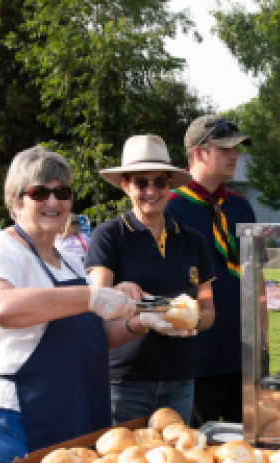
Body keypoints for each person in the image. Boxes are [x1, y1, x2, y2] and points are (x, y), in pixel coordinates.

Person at [0, 146, 138, 463]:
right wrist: (89, 296)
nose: (53, 201)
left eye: (63, 193)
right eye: (39, 192)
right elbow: (0, 307)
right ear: (16, 199)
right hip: (19, 416)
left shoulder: (71, 259)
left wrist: (143, 322)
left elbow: (95, 339)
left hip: (76, 412)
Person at [86, 134, 217, 425]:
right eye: (140, 182)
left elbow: (208, 312)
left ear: (169, 185)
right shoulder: (109, 236)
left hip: (179, 380)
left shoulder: (193, 241)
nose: (150, 190)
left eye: (159, 181)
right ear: (125, 186)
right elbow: (96, 306)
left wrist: (189, 321)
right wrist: (125, 299)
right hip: (123, 382)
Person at [166, 115, 265, 426]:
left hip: (244, 349)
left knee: (252, 443)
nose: (235, 156)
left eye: (236, 149)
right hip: (197, 354)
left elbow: (255, 272)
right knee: (200, 449)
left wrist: (262, 332)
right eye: (225, 149)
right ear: (198, 153)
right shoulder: (170, 208)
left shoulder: (240, 206)